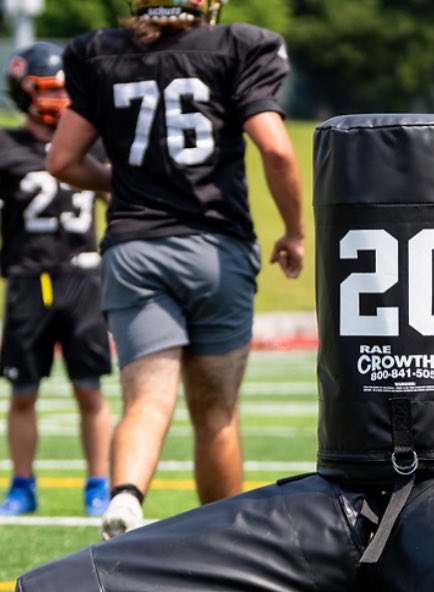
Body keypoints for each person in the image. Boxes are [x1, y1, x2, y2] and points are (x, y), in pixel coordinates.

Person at [47, 0, 304, 540]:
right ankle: (225, 543)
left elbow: (63, 161)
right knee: (215, 414)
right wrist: (294, 231)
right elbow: (276, 151)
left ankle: (125, 496)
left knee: (145, 400)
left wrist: (123, 184)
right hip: (216, 249)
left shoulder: (100, 55)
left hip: (136, 249)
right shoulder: (238, 46)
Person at [0, 42, 112, 518]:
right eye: (46, 91)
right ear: (23, 93)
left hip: (83, 274)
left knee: (90, 388)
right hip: (27, 278)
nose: (55, 100)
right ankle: (22, 484)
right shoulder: (6, 146)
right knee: (22, 391)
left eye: (61, 90)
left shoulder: (93, 139)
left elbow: (120, 201)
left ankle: (99, 484)